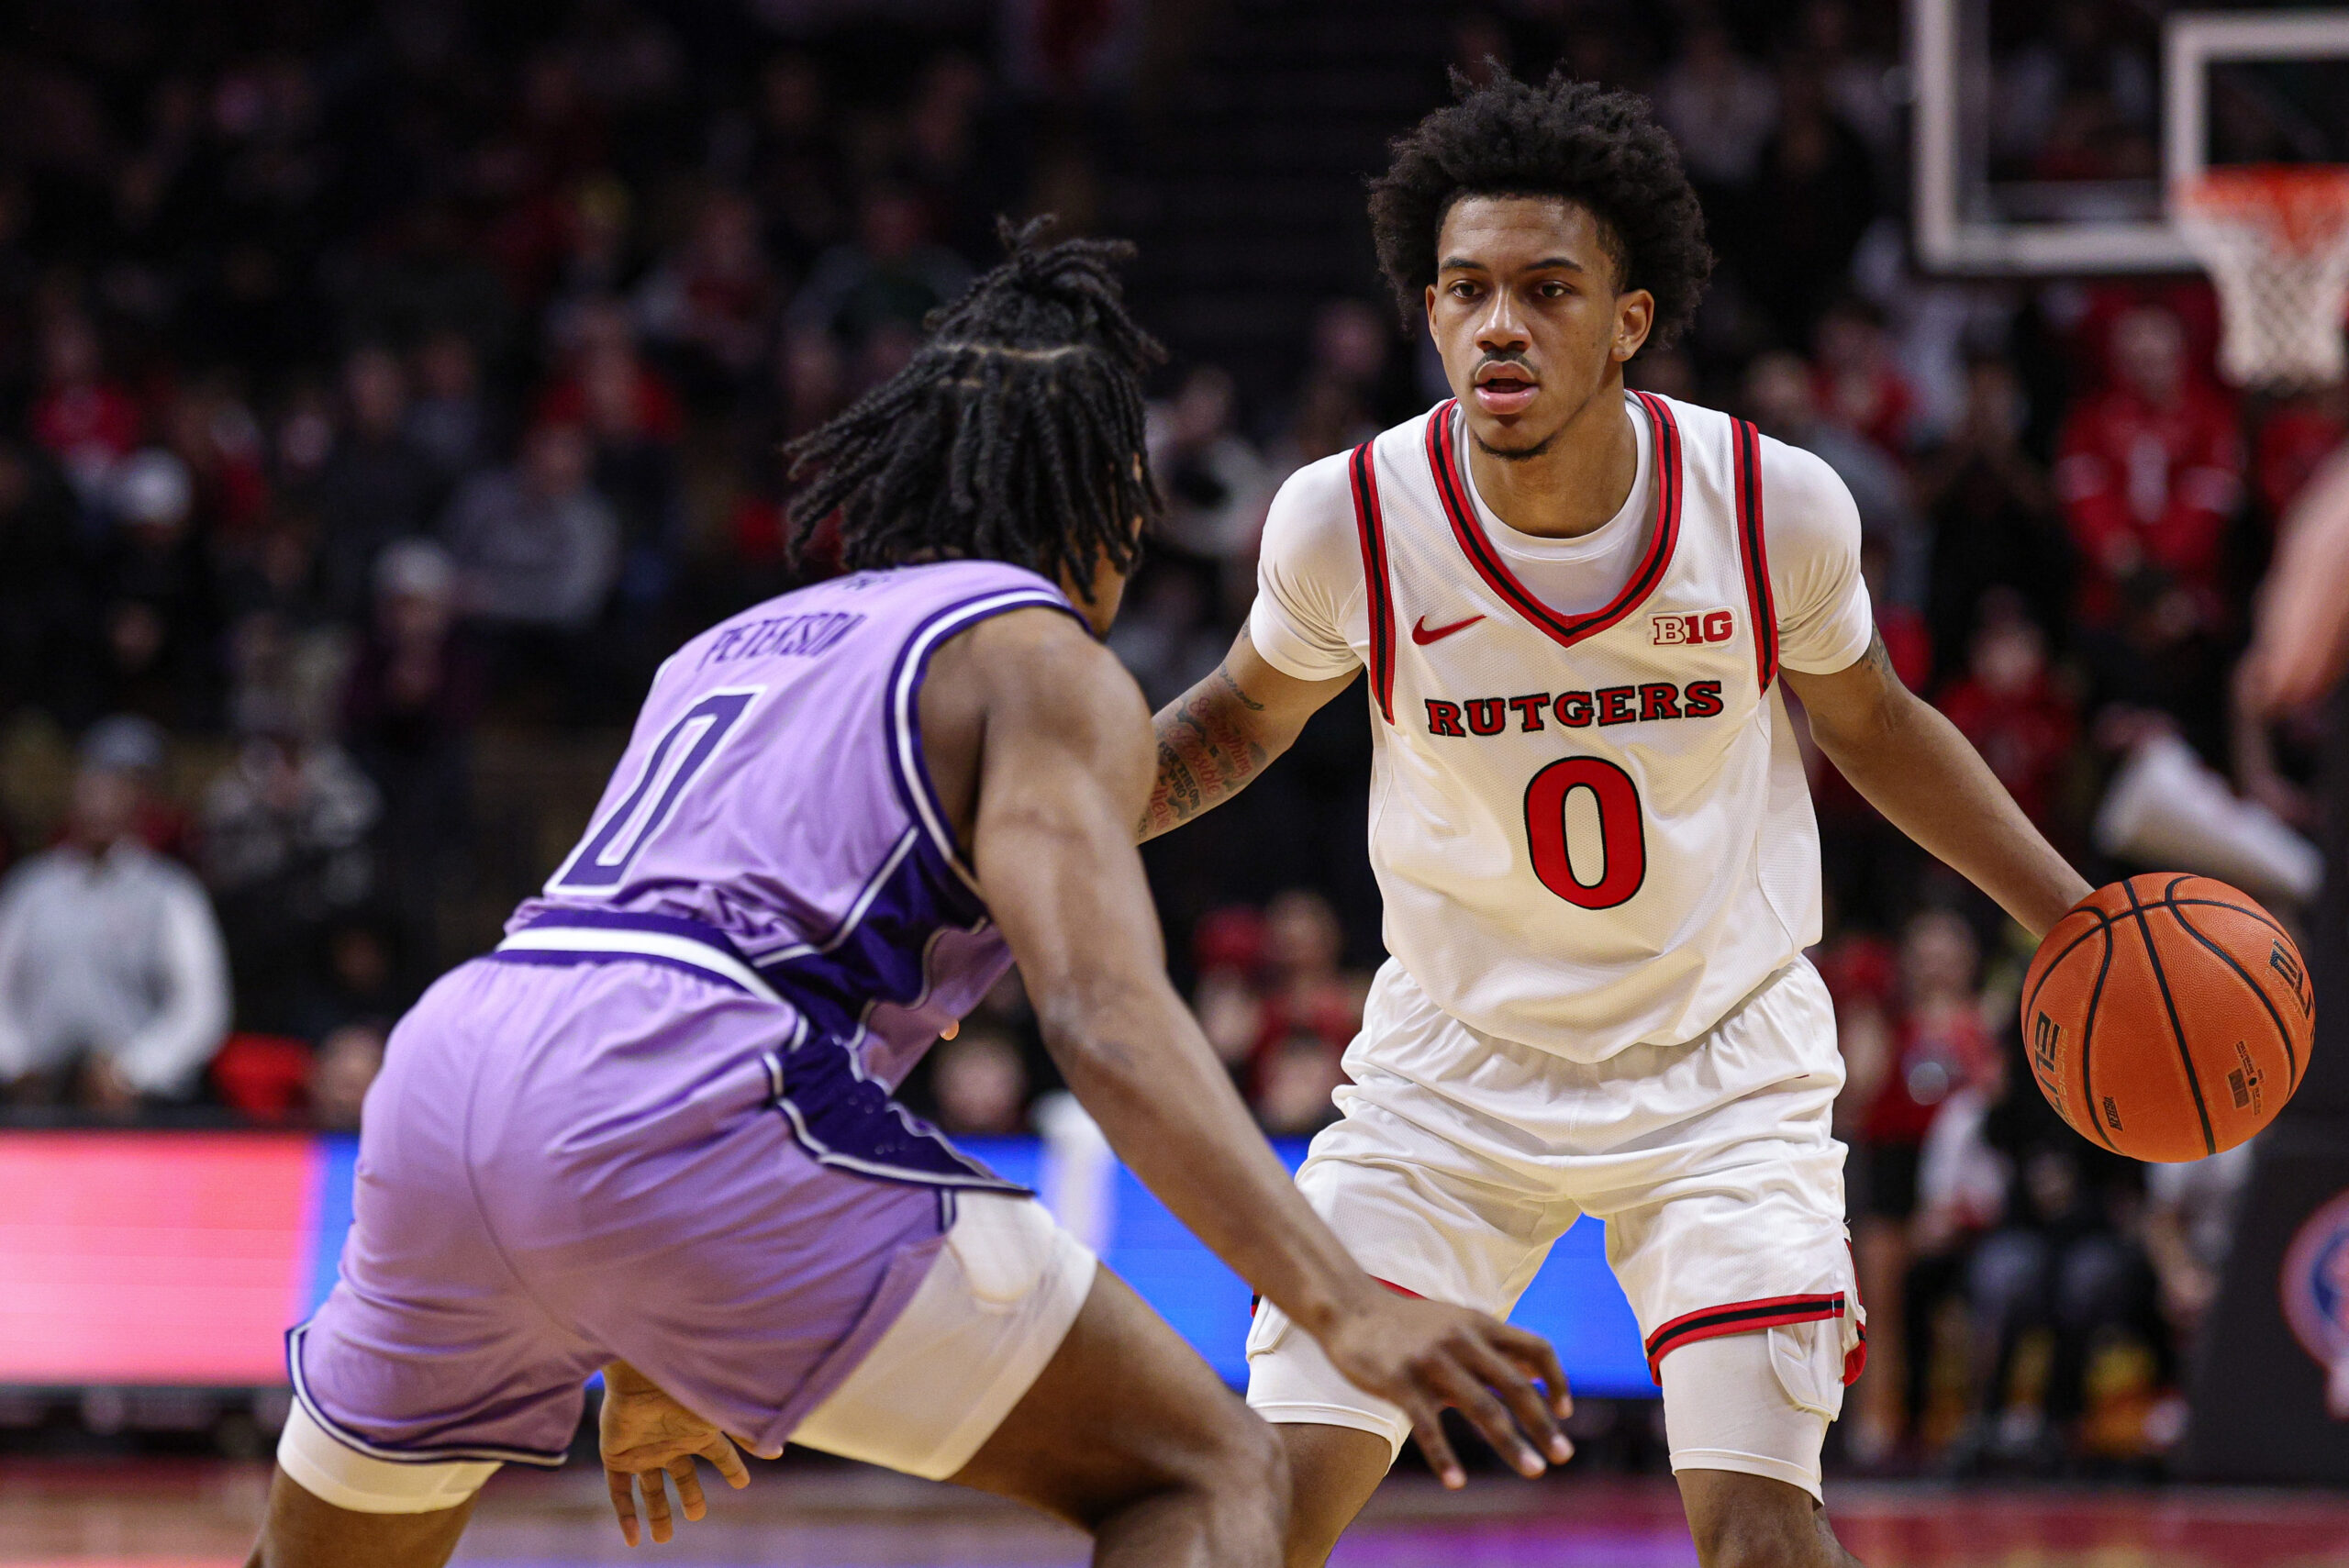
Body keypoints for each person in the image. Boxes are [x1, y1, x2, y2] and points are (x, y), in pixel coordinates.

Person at [247, 226, 1569, 1568]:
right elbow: (1102, 1017)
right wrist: (1343, 1303)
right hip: (688, 1097)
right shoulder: (1040, 659)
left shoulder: (731, 648)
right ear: (1106, 503)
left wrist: (653, 1344)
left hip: (452, 1072)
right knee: (1209, 1474)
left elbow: (682, 959)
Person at [1139, 72, 2092, 1568]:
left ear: (1630, 317)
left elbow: (1877, 727)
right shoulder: (1348, 518)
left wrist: (2075, 918)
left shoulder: (1770, 505)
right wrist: (1041, 833)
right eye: (1466, 290)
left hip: (1719, 1062)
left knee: (1762, 1530)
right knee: (1255, 1516)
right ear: (1428, 310)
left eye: (1546, 289)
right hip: (1450, 1073)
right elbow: (1238, 719)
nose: (1498, 326)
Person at [0, 718, 231, 1114]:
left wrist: (134, 1071)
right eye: (92, 788)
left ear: (138, 804)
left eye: (117, 791)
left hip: (135, 1107)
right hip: (35, 1100)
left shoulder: (170, 892)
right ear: (73, 793)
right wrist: (18, 1063)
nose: (101, 802)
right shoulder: (30, 889)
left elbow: (201, 1008)